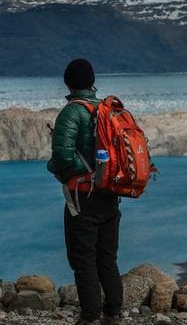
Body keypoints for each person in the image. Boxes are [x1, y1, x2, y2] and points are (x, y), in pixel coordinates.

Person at [47, 58, 123, 325]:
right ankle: (113, 314)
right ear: (92, 81)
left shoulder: (71, 112)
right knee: (107, 256)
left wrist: (52, 166)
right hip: (110, 192)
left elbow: (63, 156)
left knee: (83, 258)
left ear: (68, 82)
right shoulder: (106, 110)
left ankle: (90, 317)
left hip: (83, 197)